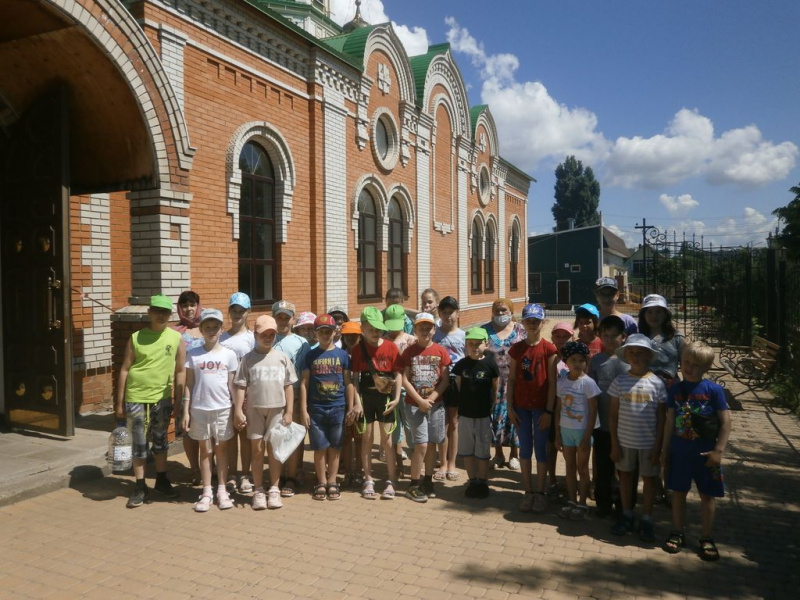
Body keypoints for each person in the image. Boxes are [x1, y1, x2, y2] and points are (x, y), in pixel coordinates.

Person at [661, 341, 731, 561]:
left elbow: (726, 422)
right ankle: (677, 531)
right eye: (686, 362)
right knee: (678, 493)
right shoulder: (675, 389)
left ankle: (706, 536)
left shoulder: (713, 390)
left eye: (696, 364)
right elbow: (669, 422)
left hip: (706, 453)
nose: (689, 368)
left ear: (706, 367)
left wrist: (719, 450)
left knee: (707, 495)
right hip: (680, 451)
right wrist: (665, 450)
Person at [115, 295, 185, 508]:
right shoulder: (136, 337)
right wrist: (119, 403)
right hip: (136, 397)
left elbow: (180, 370)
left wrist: (178, 400)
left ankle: (162, 480)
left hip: (161, 398)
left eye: (165, 311)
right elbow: (125, 369)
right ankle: (140, 485)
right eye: (157, 310)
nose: (161, 315)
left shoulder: (176, 338)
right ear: (149, 312)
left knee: (161, 440)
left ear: (170, 314)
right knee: (139, 442)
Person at [233, 315, 297, 510]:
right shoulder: (248, 359)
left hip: (277, 409)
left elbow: (288, 385)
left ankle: (274, 488)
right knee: (257, 450)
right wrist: (238, 410)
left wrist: (289, 411)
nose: (268, 338)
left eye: (271, 334)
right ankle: (259, 489)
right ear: (255, 335)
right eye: (264, 334)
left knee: (274, 450)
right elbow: (241, 386)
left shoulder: (282, 358)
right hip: (254, 410)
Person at [609, 334, 667, 541]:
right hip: (624, 442)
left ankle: (647, 518)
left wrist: (658, 448)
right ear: (625, 355)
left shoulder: (657, 384)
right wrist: (614, 444)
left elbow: (662, 419)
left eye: (640, 352)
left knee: (649, 480)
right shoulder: (619, 381)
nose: (635, 356)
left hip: (649, 444)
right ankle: (627, 514)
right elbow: (613, 415)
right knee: (625, 478)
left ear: (649, 355)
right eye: (631, 352)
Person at [183, 308, 239, 512]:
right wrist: (186, 411)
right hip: (199, 409)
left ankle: (222, 490)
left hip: (223, 408)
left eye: (215, 327)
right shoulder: (193, 354)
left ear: (221, 329)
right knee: (205, 451)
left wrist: (238, 410)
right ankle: (207, 491)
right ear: (201, 329)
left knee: (221, 450)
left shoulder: (229, 355)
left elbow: (232, 386)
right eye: (207, 327)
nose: (211, 330)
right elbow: (189, 384)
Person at [507, 304, 558, 513]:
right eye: (528, 320)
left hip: (541, 409)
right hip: (521, 408)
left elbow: (552, 382)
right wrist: (510, 408)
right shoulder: (517, 349)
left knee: (541, 450)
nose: (532, 324)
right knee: (525, 449)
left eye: (536, 321)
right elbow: (511, 380)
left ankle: (540, 492)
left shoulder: (549, 349)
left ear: (542, 322)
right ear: (523, 322)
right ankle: (528, 491)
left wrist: (549, 411)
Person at [299, 314, 355, 501]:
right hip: (316, 409)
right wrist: (304, 410)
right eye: (321, 331)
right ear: (316, 333)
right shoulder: (310, 355)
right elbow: (304, 384)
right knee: (319, 447)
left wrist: (350, 407)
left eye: (328, 331)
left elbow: (348, 383)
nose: (325, 335)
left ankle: (332, 481)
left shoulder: (342, 355)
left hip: (338, 407)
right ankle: (321, 481)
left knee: (335, 447)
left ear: (335, 332)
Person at [349, 307, 402, 499]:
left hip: (386, 398)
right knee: (367, 438)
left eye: (378, 328)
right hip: (366, 398)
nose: (375, 332)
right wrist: (357, 402)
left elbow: (398, 374)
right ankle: (368, 479)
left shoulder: (391, 347)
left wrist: (397, 398)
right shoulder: (358, 349)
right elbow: (355, 379)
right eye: (371, 329)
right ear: (362, 328)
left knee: (387, 440)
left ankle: (391, 479)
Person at [401, 312, 452, 503]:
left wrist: (431, 398)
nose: (425, 331)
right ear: (414, 330)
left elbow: (445, 380)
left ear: (434, 329)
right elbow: (404, 379)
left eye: (428, 327)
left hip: (435, 405)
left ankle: (428, 481)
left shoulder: (441, 351)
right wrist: (419, 401)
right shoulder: (409, 352)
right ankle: (414, 484)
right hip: (414, 406)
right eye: (421, 327)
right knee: (421, 444)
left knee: (432, 444)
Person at [588, 315, 629, 517]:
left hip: (626, 425)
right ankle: (603, 503)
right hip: (602, 423)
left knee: (624, 468)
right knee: (603, 465)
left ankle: (624, 504)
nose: (610, 340)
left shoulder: (630, 360)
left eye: (614, 336)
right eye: (606, 335)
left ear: (623, 336)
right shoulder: (596, 361)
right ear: (600, 336)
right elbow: (591, 392)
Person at [451, 327, 499, 499]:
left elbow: (495, 387)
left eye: (478, 344)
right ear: (466, 345)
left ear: (486, 344)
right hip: (465, 415)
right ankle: (472, 481)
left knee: (483, 452)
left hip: (483, 416)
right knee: (467, 452)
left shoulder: (490, 365)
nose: (474, 347)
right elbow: (458, 386)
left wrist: (491, 406)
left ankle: (482, 481)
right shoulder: (461, 365)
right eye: (470, 343)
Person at [555, 341, 600, 521]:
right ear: (566, 361)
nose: (577, 363)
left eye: (581, 360)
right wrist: (557, 434)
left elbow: (593, 411)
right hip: (566, 431)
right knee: (569, 467)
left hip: (582, 432)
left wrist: (588, 436)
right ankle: (572, 500)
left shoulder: (588, 383)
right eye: (573, 359)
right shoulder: (561, 382)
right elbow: (558, 409)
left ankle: (582, 503)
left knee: (582, 468)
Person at [482, 299, 526, 470]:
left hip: (516, 382)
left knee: (515, 417)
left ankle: (514, 454)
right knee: (495, 418)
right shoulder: (485, 330)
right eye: (497, 310)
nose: (500, 313)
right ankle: (498, 454)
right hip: (493, 383)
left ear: (511, 311)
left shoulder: (520, 329)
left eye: (504, 310)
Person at [272, 300, 310, 496]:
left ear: (293, 320)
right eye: (279, 317)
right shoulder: (267, 338)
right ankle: (276, 476)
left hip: (293, 395)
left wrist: (303, 403)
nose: (283, 321)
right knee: (274, 437)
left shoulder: (301, 343)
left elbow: (304, 376)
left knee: (293, 436)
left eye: (286, 317)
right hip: (271, 396)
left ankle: (292, 476)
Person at [220, 292, 255, 494]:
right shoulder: (222, 338)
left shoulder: (252, 339)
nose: (237, 314)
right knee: (230, 437)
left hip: (247, 395)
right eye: (234, 310)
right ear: (229, 311)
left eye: (241, 310)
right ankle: (232, 474)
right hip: (225, 395)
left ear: (248, 312)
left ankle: (245, 474)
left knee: (246, 436)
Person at [432, 296, 466, 482]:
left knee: (453, 422)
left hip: (455, 382)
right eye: (444, 312)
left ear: (457, 313)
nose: (448, 316)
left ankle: (452, 463)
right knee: (441, 423)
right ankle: (442, 462)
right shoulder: (434, 334)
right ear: (439, 314)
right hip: (437, 382)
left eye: (451, 312)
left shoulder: (463, 336)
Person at [172, 290, 203, 485]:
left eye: (192, 304)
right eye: (185, 305)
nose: (189, 309)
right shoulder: (175, 333)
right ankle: (195, 469)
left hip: (207, 388)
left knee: (208, 430)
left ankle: (210, 466)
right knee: (188, 430)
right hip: (186, 389)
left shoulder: (208, 327)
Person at [383, 304, 416, 478]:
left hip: (408, 390)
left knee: (411, 427)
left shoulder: (411, 340)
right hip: (389, 390)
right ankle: (399, 465)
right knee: (394, 429)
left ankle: (416, 464)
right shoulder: (383, 341)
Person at [548, 321, 574, 496]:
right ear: (552, 338)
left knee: (570, 448)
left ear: (572, 337)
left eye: (565, 336)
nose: (562, 339)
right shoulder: (549, 356)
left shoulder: (576, 357)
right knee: (551, 446)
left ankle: (570, 480)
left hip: (571, 409)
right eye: (558, 336)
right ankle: (552, 480)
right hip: (553, 407)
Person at [638, 294, 685, 389]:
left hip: (672, 390)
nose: (654, 316)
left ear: (665, 314)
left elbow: (686, 365)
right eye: (649, 312)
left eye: (658, 312)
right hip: (645, 389)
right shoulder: (638, 338)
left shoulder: (677, 338)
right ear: (643, 315)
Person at [339, 320, 365, 487]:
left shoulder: (365, 354)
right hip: (342, 401)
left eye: (354, 335)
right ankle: (348, 471)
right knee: (346, 438)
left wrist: (358, 402)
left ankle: (360, 471)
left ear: (360, 336)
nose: (350, 338)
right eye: (347, 335)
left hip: (362, 401)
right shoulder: (340, 354)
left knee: (361, 438)